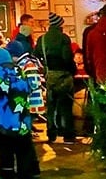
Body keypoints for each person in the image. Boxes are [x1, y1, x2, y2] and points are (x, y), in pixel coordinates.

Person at [0, 48, 40, 179]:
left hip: (5, 124)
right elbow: (30, 88)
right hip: (23, 122)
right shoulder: (21, 72)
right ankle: (25, 174)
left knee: (6, 152)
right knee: (23, 151)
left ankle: (7, 174)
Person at [34, 12, 76, 144]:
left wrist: (46, 66)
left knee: (51, 106)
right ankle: (68, 135)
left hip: (50, 75)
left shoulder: (42, 39)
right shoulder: (64, 38)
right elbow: (67, 57)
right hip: (63, 75)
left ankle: (51, 134)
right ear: (60, 25)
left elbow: (35, 55)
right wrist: (72, 70)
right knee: (65, 105)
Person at [6, 40, 45, 117]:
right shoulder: (23, 63)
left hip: (31, 103)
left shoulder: (28, 65)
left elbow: (33, 84)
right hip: (28, 103)